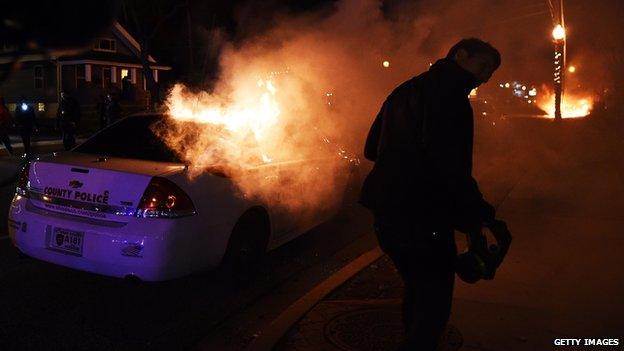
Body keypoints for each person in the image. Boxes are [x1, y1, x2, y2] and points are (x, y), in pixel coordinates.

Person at [360, 38, 506, 350]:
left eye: (490, 73)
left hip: (386, 213)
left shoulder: (405, 90)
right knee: (435, 302)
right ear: (460, 55)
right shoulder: (451, 99)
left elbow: (371, 149)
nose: (485, 78)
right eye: (483, 67)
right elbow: (450, 169)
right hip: (423, 218)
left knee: (417, 286)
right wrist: (478, 214)